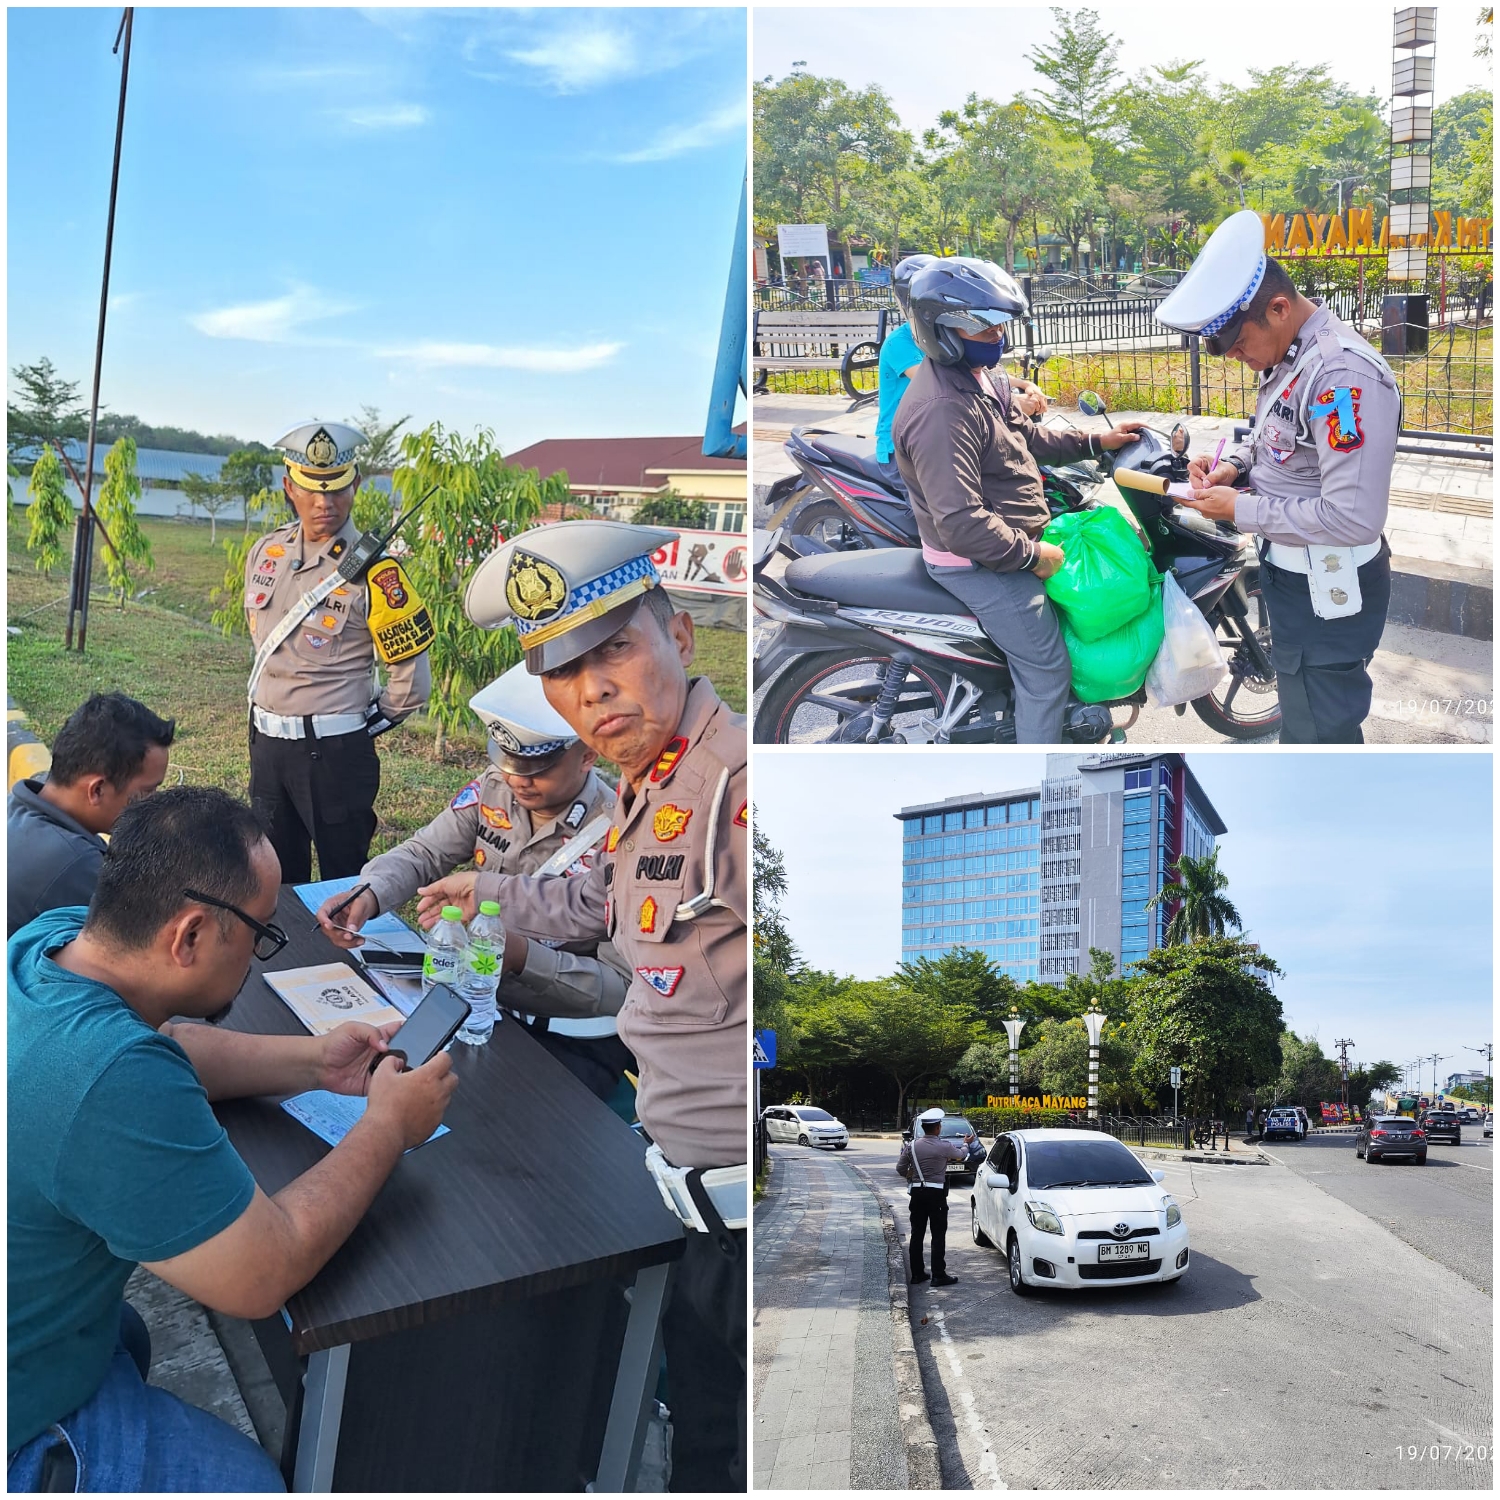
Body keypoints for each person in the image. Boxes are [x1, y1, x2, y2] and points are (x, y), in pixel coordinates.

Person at [7, 787, 456, 1493]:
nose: (258, 956)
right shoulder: (107, 1076)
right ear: (189, 936)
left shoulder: (54, 944)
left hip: (43, 1329)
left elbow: (170, 1045)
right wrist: (387, 1126)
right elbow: (262, 1272)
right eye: (259, 935)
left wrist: (316, 1062)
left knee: (128, 1335)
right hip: (21, 1409)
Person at [422, 520, 747, 1493]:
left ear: (679, 636)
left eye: (614, 650)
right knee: (698, 1423)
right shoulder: (653, 783)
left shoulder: (738, 792)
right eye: (562, 672)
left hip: (744, 1222)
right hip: (687, 1195)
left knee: (728, 1454)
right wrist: (488, 892)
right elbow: (597, 902)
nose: (592, 691)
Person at [316, 662, 634, 1102]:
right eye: (509, 761)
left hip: (570, 1036)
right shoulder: (493, 790)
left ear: (588, 754)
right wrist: (368, 894)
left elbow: (621, 988)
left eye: (537, 766)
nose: (518, 779)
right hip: (476, 1006)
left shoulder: (622, 833)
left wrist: (523, 957)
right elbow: (425, 853)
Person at [1153, 210, 1401, 743]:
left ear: (1279, 308)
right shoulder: (1290, 357)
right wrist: (1235, 466)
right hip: (1295, 579)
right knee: (1303, 719)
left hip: (1328, 590)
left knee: (1319, 738)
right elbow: (1281, 439)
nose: (1237, 358)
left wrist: (1239, 509)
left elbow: (1352, 517)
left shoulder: (1340, 380)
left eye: (1239, 344)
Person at [894, 258, 1146, 743]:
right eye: (984, 327)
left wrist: (1097, 441)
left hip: (1006, 544)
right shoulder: (943, 411)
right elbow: (962, 522)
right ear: (941, 330)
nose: (998, 337)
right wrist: (1032, 556)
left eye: (1000, 325)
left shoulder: (976, 377)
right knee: (1047, 670)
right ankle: (1041, 772)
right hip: (981, 562)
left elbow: (1025, 436)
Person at [244, 420, 434, 883]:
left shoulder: (377, 572)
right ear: (289, 487)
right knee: (272, 878)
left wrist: (354, 726)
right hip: (266, 746)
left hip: (333, 753)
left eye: (336, 489)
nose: (324, 503)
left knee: (343, 881)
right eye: (311, 489)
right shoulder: (265, 553)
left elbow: (412, 681)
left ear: (356, 485)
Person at [877, 256, 1049, 495]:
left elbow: (978, 376)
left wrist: (1024, 383)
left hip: (944, 437)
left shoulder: (946, 336)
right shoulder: (900, 343)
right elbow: (942, 385)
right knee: (934, 505)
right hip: (903, 448)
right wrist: (1012, 403)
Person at [7, 693, 175, 936]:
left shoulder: (18, 807)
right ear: (97, 790)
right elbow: (156, 936)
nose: (154, 802)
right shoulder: (74, 863)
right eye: (148, 791)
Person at [895, 1108, 974, 1286]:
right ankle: (938, 1275)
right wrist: (966, 1143)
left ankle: (917, 1274)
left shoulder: (912, 1146)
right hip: (936, 1194)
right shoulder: (944, 1146)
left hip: (917, 1193)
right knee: (938, 1234)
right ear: (937, 1128)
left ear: (923, 1128)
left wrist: (912, 1176)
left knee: (917, 1233)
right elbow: (961, 1155)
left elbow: (900, 1168)